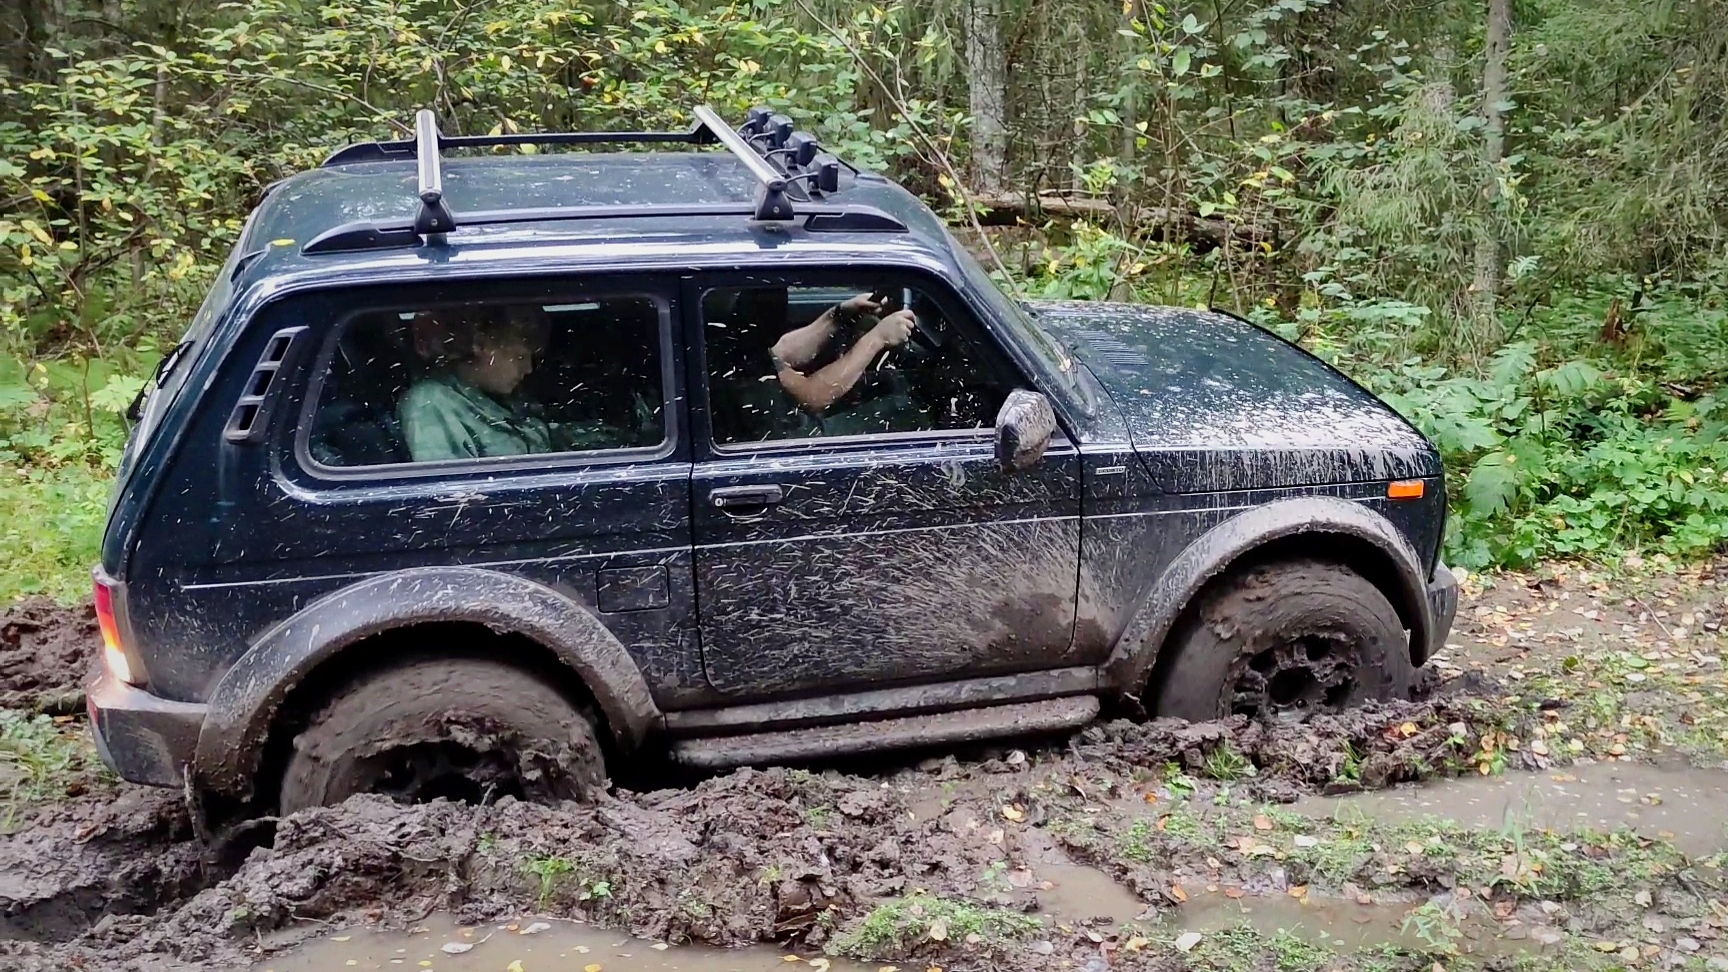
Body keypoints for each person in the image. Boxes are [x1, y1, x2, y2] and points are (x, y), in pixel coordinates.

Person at [398, 304, 600, 462]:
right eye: (519, 357)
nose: (529, 369)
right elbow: (453, 495)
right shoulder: (430, 405)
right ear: (480, 345)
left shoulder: (502, 398)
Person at [769, 292, 928, 435]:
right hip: (794, 440)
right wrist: (878, 337)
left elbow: (782, 352)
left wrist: (839, 315)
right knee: (906, 411)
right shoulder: (747, 353)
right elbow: (812, 397)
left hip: (784, 415)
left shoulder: (751, 340)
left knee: (885, 381)